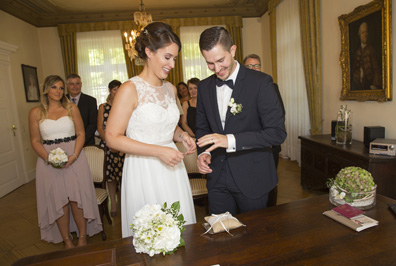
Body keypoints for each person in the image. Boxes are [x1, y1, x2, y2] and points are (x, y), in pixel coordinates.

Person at [105, 21, 197, 238]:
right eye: (167, 57)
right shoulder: (129, 89)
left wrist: (182, 135)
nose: (172, 64)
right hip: (144, 169)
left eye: (175, 58)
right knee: (151, 234)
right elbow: (112, 137)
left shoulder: (170, 88)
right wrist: (159, 151)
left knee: (178, 228)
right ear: (148, 51)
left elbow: (167, 124)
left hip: (173, 168)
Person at [196, 26, 287, 216]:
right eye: (210, 63)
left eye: (221, 60)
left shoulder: (261, 83)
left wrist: (230, 140)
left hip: (252, 176)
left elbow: (277, 133)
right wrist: (203, 153)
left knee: (254, 239)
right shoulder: (204, 87)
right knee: (222, 236)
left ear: (233, 50)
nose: (217, 69)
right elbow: (202, 128)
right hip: (217, 178)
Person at [29, 75, 102, 249]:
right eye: (54, 87)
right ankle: (67, 240)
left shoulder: (71, 108)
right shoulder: (35, 112)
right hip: (48, 160)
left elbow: (81, 133)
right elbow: (35, 141)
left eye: (61, 88)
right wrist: (49, 159)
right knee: (59, 201)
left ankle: (82, 237)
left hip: (74, 157)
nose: (58, 91)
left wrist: (74, 155)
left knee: (77, 199)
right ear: (46, 89)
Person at [97, 79, 125, 217]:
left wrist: (120, 143)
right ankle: (113, 204)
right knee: (111, 177)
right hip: (108, 146)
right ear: (110, 91)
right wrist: (110, 142)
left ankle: (122, 203)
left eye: (119, 89)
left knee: (122, 176)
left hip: (123, 146)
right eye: (115, 89)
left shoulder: (125, 105)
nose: (117, 91)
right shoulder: (103, 107)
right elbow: (99, 127)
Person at [66, 74, 98, 145]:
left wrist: (80, 140)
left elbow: (93, 123)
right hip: (66, 143)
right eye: (72, 84)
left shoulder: (91, 101)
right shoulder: (61, 101)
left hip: (86, 143)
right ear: (67, 85)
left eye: (77, 83)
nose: (75, 87)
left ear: (81, 84)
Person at [351, 22, 381, 91]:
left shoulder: (371, 49)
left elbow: (376, 69)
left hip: (370, 86)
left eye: (366, 32)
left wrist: (375, 85)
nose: (365, 35)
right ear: (359, 35)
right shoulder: (357, 51)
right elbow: (354, 70)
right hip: (359, 86)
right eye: (363, 32)